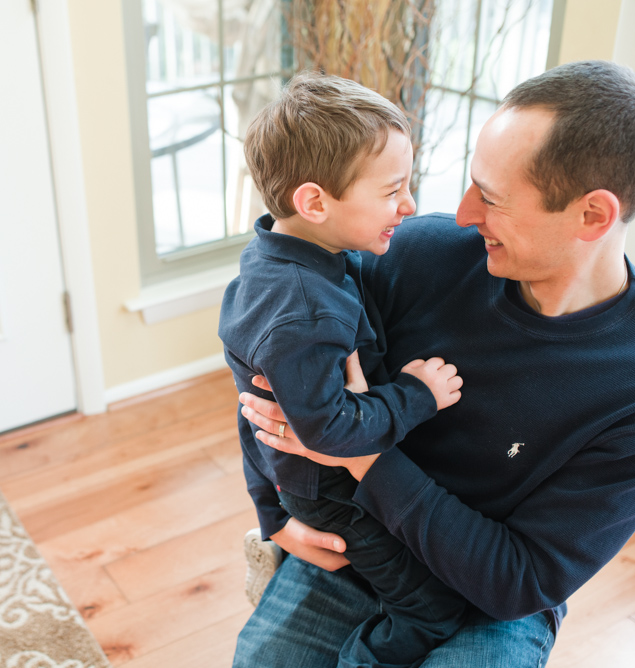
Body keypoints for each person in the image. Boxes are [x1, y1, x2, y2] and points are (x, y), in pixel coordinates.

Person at [232, 60, 635, 667]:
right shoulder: (419, 255)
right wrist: (272, 512)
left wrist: (360, 454)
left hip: (485, 599)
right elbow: (266, 363)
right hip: (359, 541)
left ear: (593, 215)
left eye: (491, 198)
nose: (462, 213)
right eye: (472, 184)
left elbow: (519, 581)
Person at [219, 71, 467, 668]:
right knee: (434, 612)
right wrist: (417, 394)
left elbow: (256, 410)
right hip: (340, 502)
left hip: (308, 488)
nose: (408, 206)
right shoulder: (305, 313)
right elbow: (324, 434)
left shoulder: (281, 258)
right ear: (315, 202)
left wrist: (268, 509)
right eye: (392, 191)